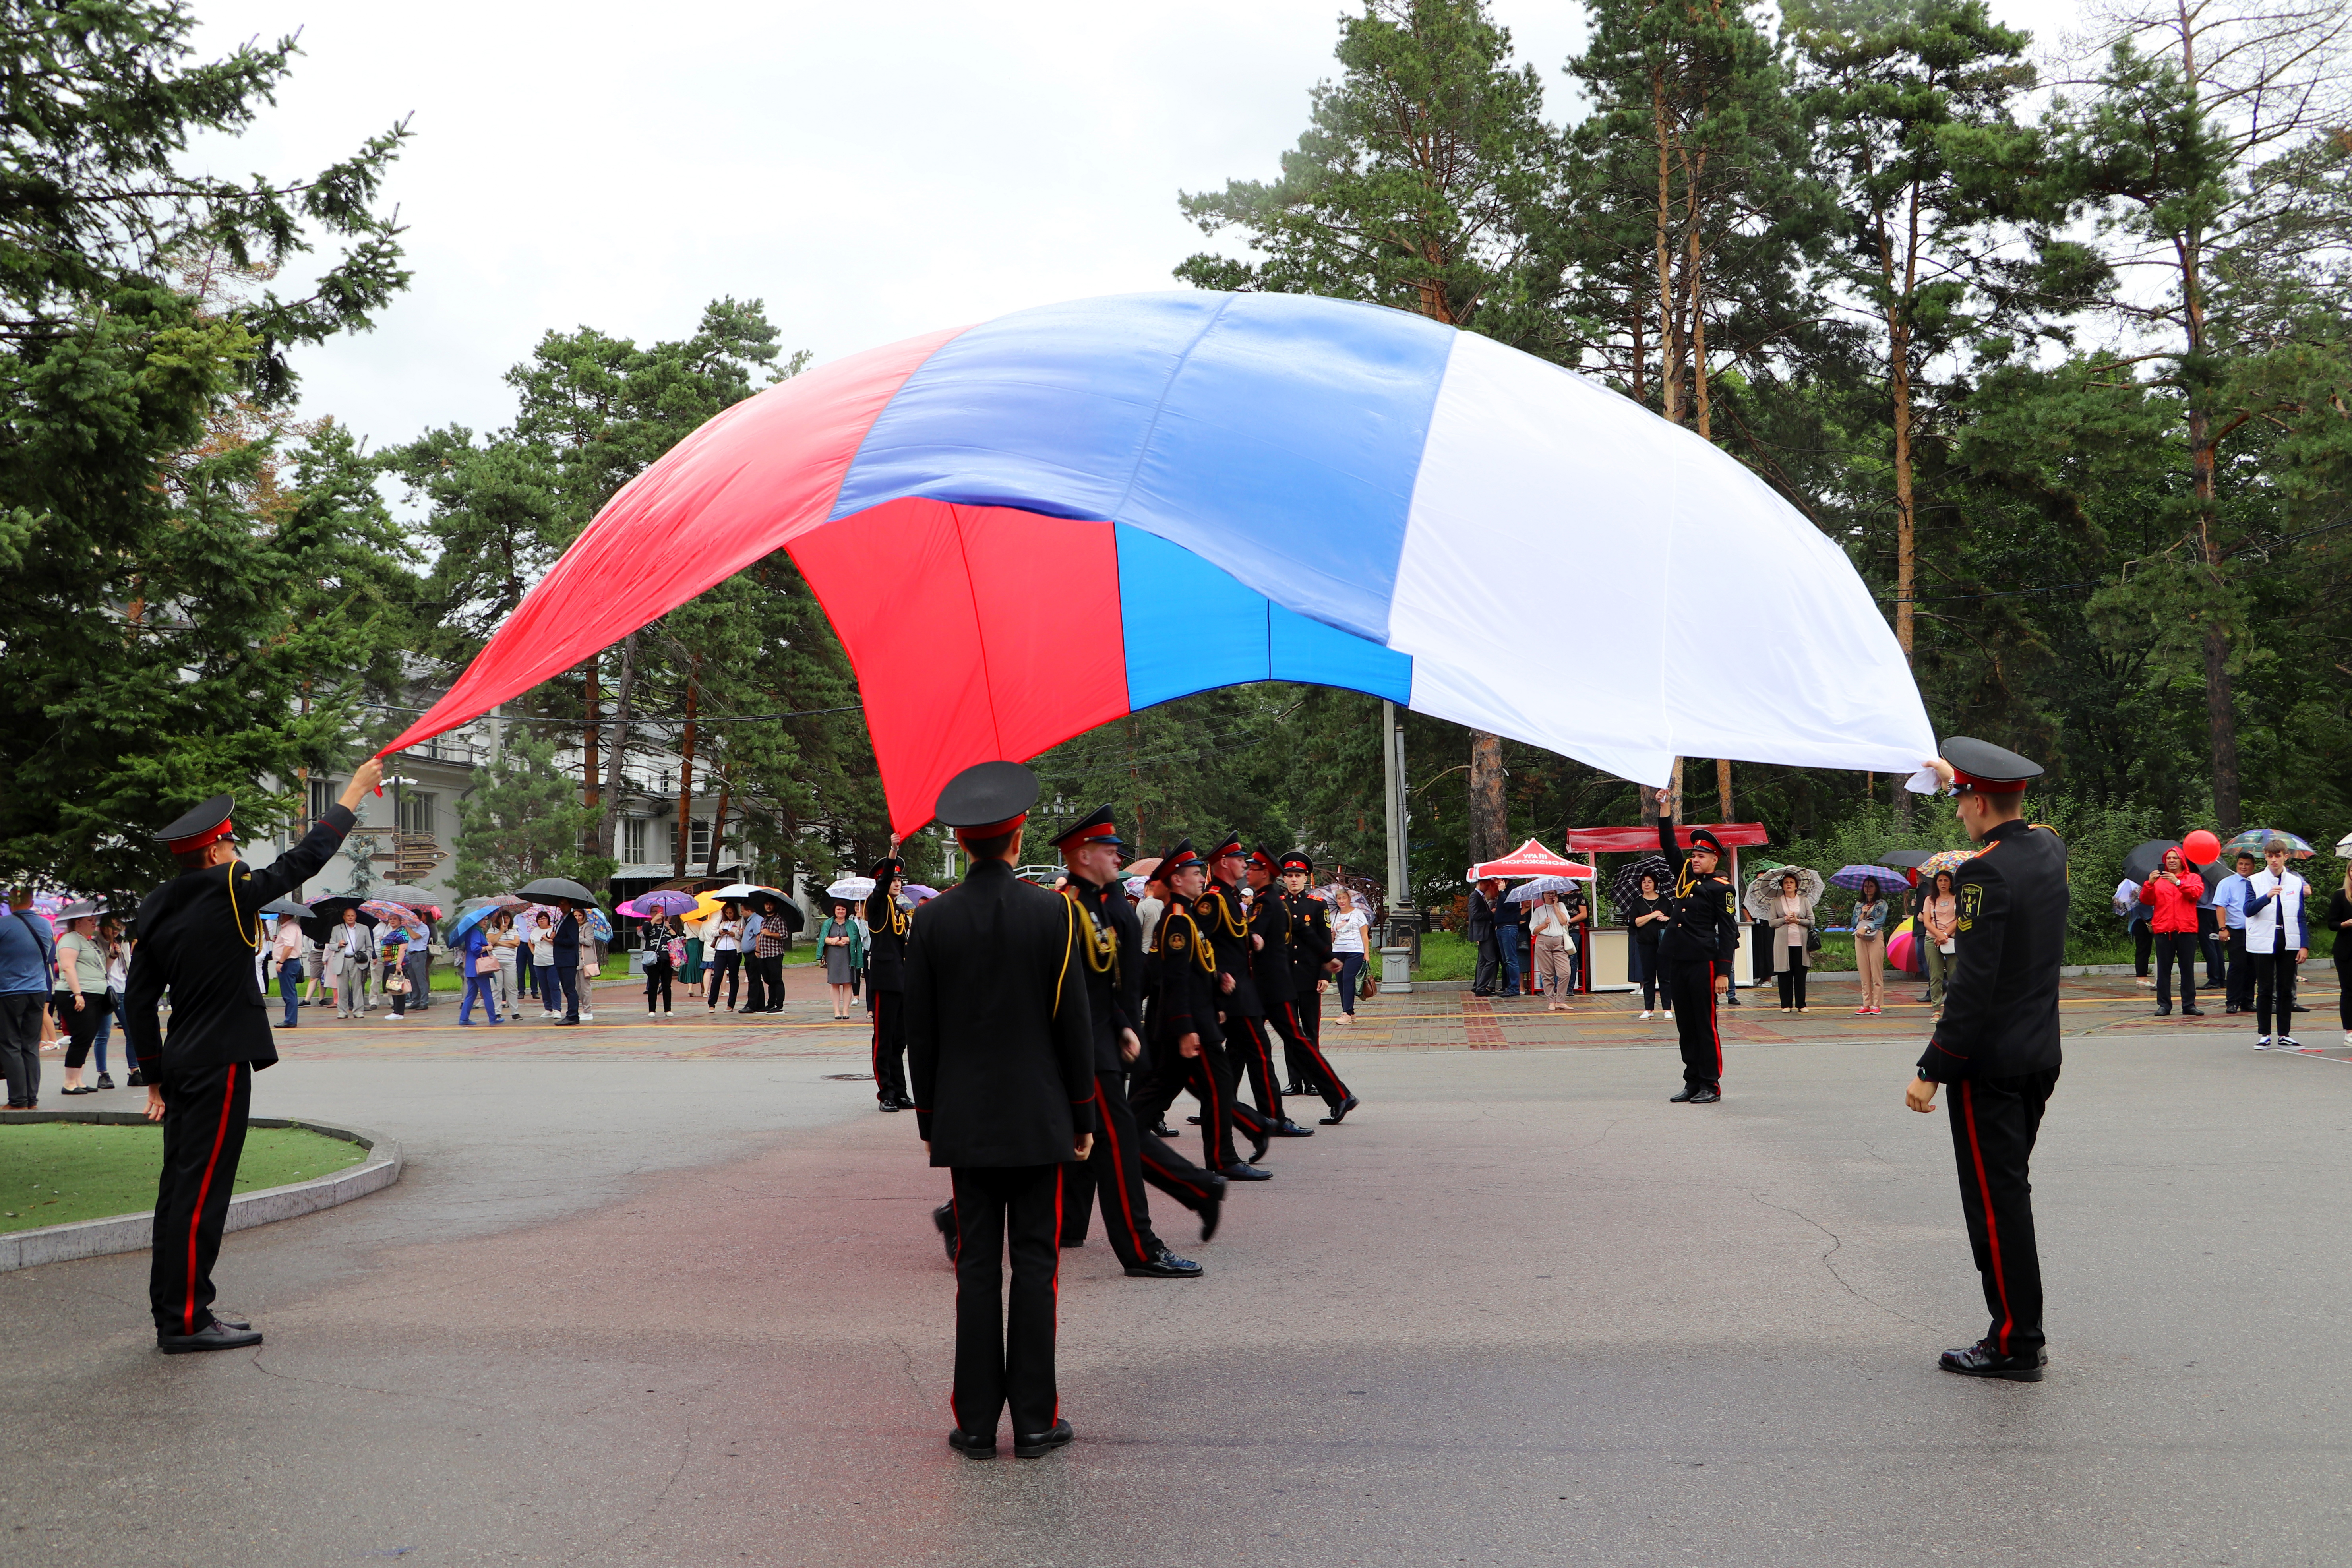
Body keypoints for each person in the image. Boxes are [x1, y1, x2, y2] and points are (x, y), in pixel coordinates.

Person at [124, 760, 381, 1352]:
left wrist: (155, 1079)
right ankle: (187, 1319)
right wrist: (354, 792)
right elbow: (305, 859)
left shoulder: (158, 905)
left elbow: (138, 1003)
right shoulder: (230, 889)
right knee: (200, 1194)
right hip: (217, 1065)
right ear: (215, 854)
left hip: (185, 1064)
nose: (240, 853)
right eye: (234, 844)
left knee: (179, 1191)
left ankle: (177, 1311)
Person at [905, 761, 1095, 1459]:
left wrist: (932, 1119)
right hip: (1040, 1119)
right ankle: (1037, 1423)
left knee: (977, 1269)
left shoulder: (930, 920)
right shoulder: (1055, 914)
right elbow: (1071, 1025)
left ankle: (977, 1424)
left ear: (960, 842)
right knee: (1036, 1269)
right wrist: (1082, 1116)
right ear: (1017, 840)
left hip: (965, 1122)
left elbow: (917, 1035)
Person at [1905, 737, 2066, 1382]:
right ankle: (2016, 1331)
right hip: (2036, 1054)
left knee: (1994, 1206)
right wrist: (1953, 780)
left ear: (1975, 801)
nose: (1955, 815)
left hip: (1989, 1064)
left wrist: (1931, 1066)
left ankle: (2014, 1342)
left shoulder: (1981, 873)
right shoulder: (2045, 850)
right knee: (2008, 1195)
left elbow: (1971, 985)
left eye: (1959, 802)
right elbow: (2005, 817)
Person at [1042, 804, 1210, 1276]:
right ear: (1083, 853)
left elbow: (1107, 982)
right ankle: (1141, 1249)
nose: (1119, 855)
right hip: (1084, 1051)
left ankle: (961, 1217)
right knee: (1114, 1148)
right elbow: (1067, 992)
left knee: (1058, 1147)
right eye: (1109, 848)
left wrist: (1122, 1025)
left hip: (1100, 1042)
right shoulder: (1068, 909)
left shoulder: (1095, 904)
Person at [1127, 842, 1268, 1182]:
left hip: (1190, 1018)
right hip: (1189, 1023)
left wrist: (1216, 981)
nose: (1200, 880)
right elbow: (1174, 979)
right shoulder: (1178, 921)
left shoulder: (1187, 917)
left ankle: (1114, 1135)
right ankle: (1223, 1159)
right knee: (1217, 1086)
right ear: (1176, 881)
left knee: (1161, 1087)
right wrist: (1187, 1027)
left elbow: (1190, 968)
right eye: (1193, 875)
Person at [1193, 838, 1287, 1144]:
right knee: (1259, 1053)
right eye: (1239, 859)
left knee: (1231, 1060)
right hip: (1234, 994)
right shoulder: (1214, 899)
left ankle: (1228, 1111)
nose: (1245, 865)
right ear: (1224, 863)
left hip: (1241, 991)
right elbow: (1196, 938)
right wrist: (1216, 976)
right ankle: (1273, 1119)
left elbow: (1229, 940)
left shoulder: (1231, 897)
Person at [1652, 792, 1740, 1102]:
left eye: (1701, 856)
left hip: (1703, 963)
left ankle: (1710, 1084)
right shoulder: (1685, 879)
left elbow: (1728, 932)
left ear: (1715, 859)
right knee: (1685, 1024)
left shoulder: (1722, 889)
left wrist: (1723, 973)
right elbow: (1669, 846)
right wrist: (1664, 808)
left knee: (1705, 1024)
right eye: (1693, 856)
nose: (1694, 859)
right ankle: (1691, 1081)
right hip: (1677, 959)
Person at [1270, 850, 1358, 1123]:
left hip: (1309, 976)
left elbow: (1324, 942)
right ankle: (1294, 1080)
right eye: (1289, 876)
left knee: (1309, 1029)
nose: (1293, 880)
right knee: (1289, 1030)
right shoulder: (1278, 903)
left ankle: (1311, 1081)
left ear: (1306, 878)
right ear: (1284, 879)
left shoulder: (1316, 904)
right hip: (1285, 976)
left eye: (1298, 875)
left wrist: (1324, 974)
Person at [2244, 838, 2310, 1049]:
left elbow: (2300, 916)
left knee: (2285, 989)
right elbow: (2248, 910)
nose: (2274, 860)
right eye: (2270, 856)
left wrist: (2304, 945)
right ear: (2265, 856)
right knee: (2264, 988)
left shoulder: (2295, 881)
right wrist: (2267, 897)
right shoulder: (2254, 880)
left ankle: (2285, 1033)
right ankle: (2264, 1034)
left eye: (2278, 856)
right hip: (2263, 939)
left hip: (2288, 940)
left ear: (2286, 857)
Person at [1, 886, 56, 1107]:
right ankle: (32, 1098)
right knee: (31, 1045)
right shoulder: (45, 925)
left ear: (12, 902)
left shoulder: (4, 925)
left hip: (9, 990)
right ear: (32, 902)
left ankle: (18, 1099)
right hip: (38, 989)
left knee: (10, 1044)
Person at [2137, 847, 2205, 1017]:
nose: (2172, 861)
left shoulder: (2193, 878)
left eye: (2175, 858)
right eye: (2169, 859)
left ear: (2182, 860)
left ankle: (2189, 1004)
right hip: (2163, 930)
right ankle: (2164, 1005)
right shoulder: (2158, 880)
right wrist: (2149, 884)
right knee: (2164, 971)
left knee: (2187, 969)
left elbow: (2195, 894)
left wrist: (2178, 882)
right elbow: (2146, 900)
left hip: (2186, 930)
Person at [865, 863, 912, 1108]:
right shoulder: (876, 905)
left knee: (899, 1040)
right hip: (885, 980)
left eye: (899, 879)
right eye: (891, 879)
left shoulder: (900, 912)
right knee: (883, 1040)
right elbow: (881, 890)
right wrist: (892, 852)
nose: (897, 883)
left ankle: (900, 1091)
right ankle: (886, 1093)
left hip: (902, 980)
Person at [54, 903, 109, 1094]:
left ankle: (78, 1080)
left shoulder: (87, 940)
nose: (95, 923)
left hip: (94, 994)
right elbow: (68, 967)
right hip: (77, 993)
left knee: (87, 1037)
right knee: (81, 1036)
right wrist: (78, 994)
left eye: (95, 920)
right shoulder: (70, 939)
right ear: (78, 922)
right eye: (90, 920)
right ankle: (69, 1083)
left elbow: (101, 969)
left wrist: (112, 956)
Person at [2211, 851, 2258, 1014]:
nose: (2244, 867)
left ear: (2253, 867)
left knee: (2253, 967)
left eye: (2247, 864)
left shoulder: (2258, 882)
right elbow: (2220, 906)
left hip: (2255, 931)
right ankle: (2232, 1001)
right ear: (2237, 865)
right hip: (2235, 931)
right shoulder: (2227, 883)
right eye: (2241, 864)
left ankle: (2248, 1001)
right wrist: (2223, 928)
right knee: (2237, 966)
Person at [1626, 872, 1671, 1019]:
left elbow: (1674, 919)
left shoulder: (1664, 901)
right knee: (1648, 978)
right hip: (1645, 944)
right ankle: (1649, 1009)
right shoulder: (1638, 902)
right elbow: (1635, 922)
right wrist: (1651, 916)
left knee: (1665, 977)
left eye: (1650, 882)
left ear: (1655, 884)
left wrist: (1666, 918)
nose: (1647, 885)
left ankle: (1667, 1009)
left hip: (1663, 945)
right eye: (1644, 882)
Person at [1770, 871, 1816, 1013]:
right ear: (1783, 887)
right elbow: (1772, 923)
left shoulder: (1804, 901)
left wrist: (1798, 921)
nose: (1789, 885)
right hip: (1783, 944)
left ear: (1796, 886)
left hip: (1801, 943)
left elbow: (1812, 921)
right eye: (1786, 883)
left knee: (1800, 974)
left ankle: (1801, 1004)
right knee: (1785, 974)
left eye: (1791, 882)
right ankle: (1786, 1005)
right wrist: (1785, 919)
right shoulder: (1777, 902)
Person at [1530, 889, 1578, 1011]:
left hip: (1559, 942)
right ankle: (1551, 1000)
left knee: (1565, 972)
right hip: (1543, 941)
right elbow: (1534, 931)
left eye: (1554, 894)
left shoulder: (1561, 906)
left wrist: (1556, 907)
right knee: (1547, 974)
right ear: (1543, 895)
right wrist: (1544, 925)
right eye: (1549, 894)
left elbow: (1564, 922)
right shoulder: (1539, 910)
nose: (1551, 896)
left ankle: (1561, 1001)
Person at [1328, 887, 1370, 1023]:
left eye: (1344, 898)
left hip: (1355, 951)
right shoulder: (1334, 916)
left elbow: (1365, 935)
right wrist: (1331, 934)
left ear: (1349, 899)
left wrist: (1367, 954)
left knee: (1348, 980)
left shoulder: (1358, 914)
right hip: (1338, 950)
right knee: (1340, 982)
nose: (1342, 901)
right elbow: (1333, 937)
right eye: (1339, 899)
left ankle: (1346, 1013)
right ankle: (1350, 1013)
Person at [1919, 870, 1958, 1014]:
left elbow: (1959, 919)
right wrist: (1939, 935)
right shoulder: (1930, 900)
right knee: (1936, 975)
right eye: (1940, 881)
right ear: (1936, 883)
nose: (1943, 884)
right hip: (1932, 939)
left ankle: (1952, 1008)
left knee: (1954, 975)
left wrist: (1945, 935)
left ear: (1951, 883)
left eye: (1946, 881)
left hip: (1952, 939)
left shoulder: (1957, 898)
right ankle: (1936, 1009)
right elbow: (1927, 921)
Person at [1851, 878, 1889, 1016]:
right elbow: (1853, 922)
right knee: (1864, 971)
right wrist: (1862, 914)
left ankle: (1877, 1004)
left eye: (1871, 886)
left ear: (1877, 888)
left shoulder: (1882, 904)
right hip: (1860, 938)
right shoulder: (1860, 904)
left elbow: (1880, 921)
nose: (1868, 888)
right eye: (1866, 886)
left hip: (1875, 937)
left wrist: (1867, 927)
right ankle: (1866, 1003)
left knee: (1876, 971)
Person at [820, 900, 863, 1019]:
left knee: (847, 983)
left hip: (847, 955)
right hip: (833, 955)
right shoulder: (828, 923)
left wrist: (840, 939)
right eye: (839, 909)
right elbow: (824, 939)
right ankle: (836, 1011)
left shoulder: (851, 924)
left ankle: (846, 1011)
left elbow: (855, 939)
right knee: (834, 983)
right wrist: (833, 942)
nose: (841, 911)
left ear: (846, 911)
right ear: (834, 910)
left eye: (843, 909)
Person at [327, 908, 370, 1018]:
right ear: (344, 917)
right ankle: (342, 1012)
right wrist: (338, 944)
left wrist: (367, 957)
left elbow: (369, 947)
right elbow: (331, 946)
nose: (350, 918)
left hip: (357, 961)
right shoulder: (337, 929)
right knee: (342, 988)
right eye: (348, 916)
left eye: (352, 916)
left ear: (356, 916)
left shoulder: (364, 929)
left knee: (358, 987)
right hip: (342, 960)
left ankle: (358, 1011)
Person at [2327, 859, 2352, 1047]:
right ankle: (2349, 1032)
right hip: (2346, 950)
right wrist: (2344, 924)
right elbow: (2332, 923)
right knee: (2349, 991)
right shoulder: (2341, 895)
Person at [548, 902, 583, 1025]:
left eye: (564, 904)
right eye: (560, 904)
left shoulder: (571, 921)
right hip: (561, 959)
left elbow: (572, 940)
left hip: (568, 960)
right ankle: (572, 1015)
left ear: (570, 905)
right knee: (567, 988)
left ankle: (573, 1015)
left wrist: (556, 939)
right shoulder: (561, 920)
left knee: (570, 988)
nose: (561, 906)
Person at [269, 908, 304, 1031]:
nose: (279, 917)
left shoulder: (289, 929)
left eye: (280, 914)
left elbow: (289, 947)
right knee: (290, 992)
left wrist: (281, 962)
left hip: (288, 963)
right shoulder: (293, 927)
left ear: (285, 915)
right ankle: (290, 1018)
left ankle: (290, 1020)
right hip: (292, 962)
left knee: (289, 993)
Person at [705, 901, 743, 1012]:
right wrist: (720, 932)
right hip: (721, 950)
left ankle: (731, 1004)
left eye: (731, 913)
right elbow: (712, 933)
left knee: (733, 977)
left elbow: (741, 936)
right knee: (717, 976)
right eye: (727, 913)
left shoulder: (740, 921)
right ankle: (712, 1004)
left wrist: (734, 935)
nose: (729, 915)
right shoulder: (721, 920)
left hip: (734, 950)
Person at [1468, 877, 1504, 996]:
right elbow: (1475, 915)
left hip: (1485, 932)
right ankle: (1482, 987)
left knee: (1483, 960)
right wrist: (1491, 913)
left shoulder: (1479, 897)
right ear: (1481, 884)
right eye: (1487, 885)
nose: (1488, 888)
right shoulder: (1475, 897)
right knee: (1491, 960)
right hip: (1483, 932)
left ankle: (1479, 986)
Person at [487, 910, 521, 1019]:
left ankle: (515, 1012)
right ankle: (497, 1012)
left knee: (511, 987)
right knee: (497, 987)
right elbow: (490, 941)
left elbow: (516, 943)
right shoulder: (493, 930)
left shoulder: (514, 931)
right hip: (496, 962)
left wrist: (500, 943)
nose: (505, 920)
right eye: (503, 918)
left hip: (510, 962)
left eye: (508, 918)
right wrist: (501, 932)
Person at [642, 912, 677, 1018]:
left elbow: (676, 937)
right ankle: (652, 1010)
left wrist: (669, 927)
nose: (657, 913)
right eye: (654, 912)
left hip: (667, 957)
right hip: (653, 959)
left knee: (667, 985)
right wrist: (654, 919)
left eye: (659, 911)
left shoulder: (667, 925)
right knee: (653, 985)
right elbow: (645, 932)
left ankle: (668, 1009)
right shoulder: (648, 924)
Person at [529, 914, 558, 1017]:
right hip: (538, 962)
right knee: (543, 986)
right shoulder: (535, 931)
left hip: (552, 961)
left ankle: (557, 1009)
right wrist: (533, 951)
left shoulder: (553, 930)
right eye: (540, 919)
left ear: (548, 920)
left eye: (544, 919)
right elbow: (530, 941)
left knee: (554, 985)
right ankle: (548, 1008)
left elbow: (557, 943)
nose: (542, 921)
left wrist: (547, 939)